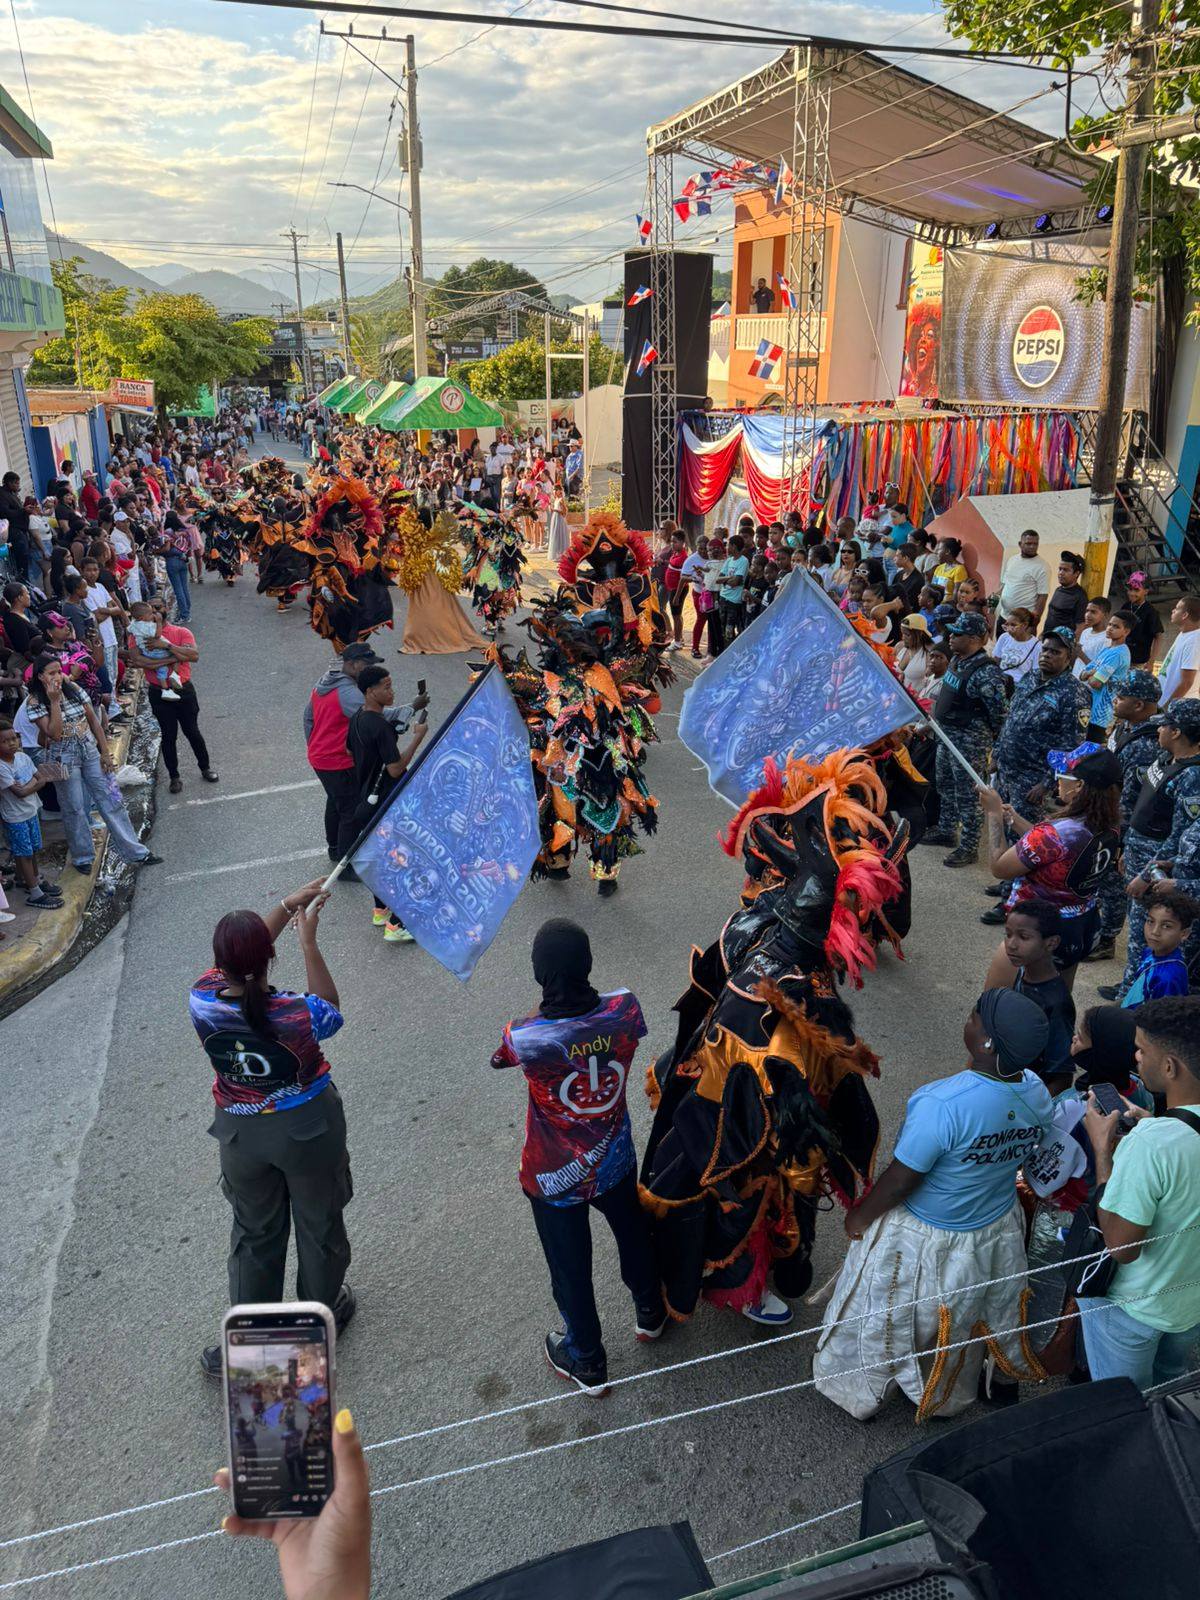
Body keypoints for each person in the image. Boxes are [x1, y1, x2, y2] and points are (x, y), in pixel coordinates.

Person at [813, 989, 1054, 1421]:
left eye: (975, 1016)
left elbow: (903, 1178)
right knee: (957, 1318)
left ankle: (861, 1390)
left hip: (925, 1235)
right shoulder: (1036, 1091)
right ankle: (948, 1392)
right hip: (994, 1229)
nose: (969, 1019)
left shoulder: (941, 1103)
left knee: (893, 1315)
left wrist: (860, 1216)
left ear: (987, 1044)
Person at [491, 920, 665, 1397]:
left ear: (539, 975)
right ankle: (651, 1311)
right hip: (613, 1158)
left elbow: (499, 1057)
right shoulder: (624, 1009)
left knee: (570, 1268)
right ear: (588, 964)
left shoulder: (525, 1037)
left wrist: (546, 1002)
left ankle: (586, 1358)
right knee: (633, 1234)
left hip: (554, 1175)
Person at [191, 880, 356, 1378]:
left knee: (254, 1233)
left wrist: (285, 907)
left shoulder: (202, 1000)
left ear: (219, 964)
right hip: (307, 1129)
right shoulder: (298, 1014)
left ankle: (249, 1344)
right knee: (318, 1225)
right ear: (270, 959)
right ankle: (316, 1320)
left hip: (240, 1136)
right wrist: (307, 939)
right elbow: (332, 1009)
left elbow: (245, 958)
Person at [1080, 996, 1200, 1389]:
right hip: (1189, 1307)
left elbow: (1122, 1246)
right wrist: (1159, 1123)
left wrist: (1102, 1150)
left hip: (1136, 1312)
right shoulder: (1164, 1134)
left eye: (1141, 1049)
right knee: (1171, 1391)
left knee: (1124, 1409)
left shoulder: (1152, 1144)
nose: (1135, 1057)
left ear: (1169, 1067)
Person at [979, 743, 1121, 982]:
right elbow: (1055, 848)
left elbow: (1000, 868)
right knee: (1056, 1000)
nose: (1057, 781)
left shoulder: (1054, 834)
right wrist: (1014, 821)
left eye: (1062, 774)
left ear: (1079, 786)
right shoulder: (1107, 821)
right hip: (1078, 925)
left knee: (995, 1004)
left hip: (1038, 934)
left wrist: (993, 814)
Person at [22, 654, 160, 875]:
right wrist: (55, 701)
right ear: (40, 677)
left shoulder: (74, 689)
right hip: (62, 757)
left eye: (59, 671)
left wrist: (104, 752)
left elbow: (93, 721)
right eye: (51, 673)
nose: (58, 676)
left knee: (112, 798)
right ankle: (83, 856)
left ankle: (136, 852)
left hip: (88, 749)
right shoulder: (35, 702)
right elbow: (54, 734)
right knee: (74, 807)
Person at [215, 1405, 371, 1600]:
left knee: (274, 1471)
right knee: (295, 1473)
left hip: (279, 1457)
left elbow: (265, 1433)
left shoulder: (258, 1431)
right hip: (293, 1457)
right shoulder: (294, 1431)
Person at [1104, 700, 1200, 1002]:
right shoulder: (1165, 758)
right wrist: (1126, 848)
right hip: (1138, 852)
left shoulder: (1191, 776)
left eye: (1164, 725)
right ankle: (1128, 989)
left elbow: (1180, 836)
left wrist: (1146, 874)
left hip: (1158, 869)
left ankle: (1134, 1000)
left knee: (1153, 935)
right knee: (1138, 932)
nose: (1158, 728)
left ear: (1177, 732)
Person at [346, 665, 428, 942]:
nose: (391, 691)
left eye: (391, 685)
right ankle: (397, 924)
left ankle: (381, 909)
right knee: (403, 858)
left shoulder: (358, 718)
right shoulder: (380, 726)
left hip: (368, 799)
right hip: (389, 801)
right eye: (386, 687)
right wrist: (418, 736)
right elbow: (395, 769)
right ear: (370, 691)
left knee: (383, 857)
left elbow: (349, 749)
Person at [926, 613, 1007, 866]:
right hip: (947, 737)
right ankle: (947, 830)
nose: (951, 637)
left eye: (957, 634)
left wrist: (992, 744)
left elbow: (999, 714)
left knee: (969, 796)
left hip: (969, 742)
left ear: (973, 638)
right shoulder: (958, 661)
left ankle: (969, 846)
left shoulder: (986, 672)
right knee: (946, 786)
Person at [125, 600, 219, 795]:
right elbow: (139, 661)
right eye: (151, 610)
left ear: (165, 609)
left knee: (192, 732)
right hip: (158, 692)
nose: (155, 613)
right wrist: (174, 657)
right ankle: (174, 777)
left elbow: (193, 655)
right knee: (168, 736)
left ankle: (205, 768)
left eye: (158, 608)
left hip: (184, 691)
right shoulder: (137, 634)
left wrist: (164, 645)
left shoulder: (181, 632)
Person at [1004, 899, 1076, 1082]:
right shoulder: (1022, 972)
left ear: (1051, 943)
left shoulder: (1056, 1002)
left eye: (1023, 937)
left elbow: (1062, 1075)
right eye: (1008, 934)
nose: (1011, 944)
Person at [0, 720, 64, 909]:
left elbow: (42, 778)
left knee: (33, 849)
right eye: (5, 741)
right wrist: (32, 785)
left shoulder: (23, 758)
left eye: (14, 738)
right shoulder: (2, 767)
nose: (12, 743)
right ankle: (35, 893)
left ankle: (29, 880)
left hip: (31, 810)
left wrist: (28, 786)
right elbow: (19, 793)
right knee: (24, 853)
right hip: (15, 817)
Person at [1122, 887, 1195, 1007]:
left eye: (1166, 926)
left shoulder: (1168, 978)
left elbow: (1162, 1020)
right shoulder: (1149, 952)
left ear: (1184, 933)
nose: (1155, 931)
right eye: (1150, 921)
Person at [1080, 609, 1133, 742]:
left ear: (1126, 631)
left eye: (1116, 626)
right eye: (1109, 624)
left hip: (1101, 716)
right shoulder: (1107, 649)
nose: (1110, 628)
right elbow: (1082, 674)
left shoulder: (1118, 653)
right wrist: (1092, 673)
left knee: (1089, 754)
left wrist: (1091, 674)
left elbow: (1095, 683)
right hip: (1089, 710)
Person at [998, 529, 1050, 624]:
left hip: (1022, 621)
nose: (1032, 547)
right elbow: (1004, 583)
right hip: (1004, 616)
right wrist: (994, 596)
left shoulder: (1042, 566)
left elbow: (1043, 595)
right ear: (1020, 544)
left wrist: (1035, 620)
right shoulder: (1012, 560)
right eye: (1028, 543)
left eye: (1035, 544)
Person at [1158, 595, 1200, 703]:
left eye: (1177, 608)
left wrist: (1168, 707)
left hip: (1178, 707)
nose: (1173, 611)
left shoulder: (1194, 641)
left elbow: (1187, 682)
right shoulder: (1185, 633)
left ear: (1185, 615)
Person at [991, 608, 1042, 688]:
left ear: (1025, 625)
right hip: (1000, 683)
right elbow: (996, 660)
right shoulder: (1004, 637)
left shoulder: (1037, 646)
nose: (1009, 629)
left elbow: (1036, 674)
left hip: (1019, 687)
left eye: (1013, 625)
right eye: (1007, 625)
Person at [1042, 551, 1088, 637]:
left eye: (1066, 570)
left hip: (1060, 645)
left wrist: (1070, 646)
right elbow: (1051, 616)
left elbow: (1080, 626)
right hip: (1047, 640)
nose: (1061, 573)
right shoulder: (1058, 590)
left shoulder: (1080, 596)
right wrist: (1042, 634)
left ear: (1076, 573)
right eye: (1060, 569)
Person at [1124, 572, 1164, 669]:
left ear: (1146, 591)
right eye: (1130, 589)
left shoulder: (1151, 612)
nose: (1132, 593)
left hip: (1139, 661)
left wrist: (1151, 661)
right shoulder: (1125, 606)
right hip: (1122, 657)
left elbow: (1158, 637)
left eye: (1136, 590)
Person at [1074, 596, 1112, 678]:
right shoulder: (1085, 632)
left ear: (1105, 615)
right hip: (1074, 680)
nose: (1088, 615)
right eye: (1087, 611)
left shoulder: (1107, 639)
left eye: (1093, 612)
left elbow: (1100, 671)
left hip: (1087, 687)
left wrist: (1081, 654)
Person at [931, 536, 968, 602]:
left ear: (947, 551)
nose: (936, 552)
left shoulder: (959, 569)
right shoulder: (939, 568)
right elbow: (932, 589)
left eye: (939, 549)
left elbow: (956, 596)